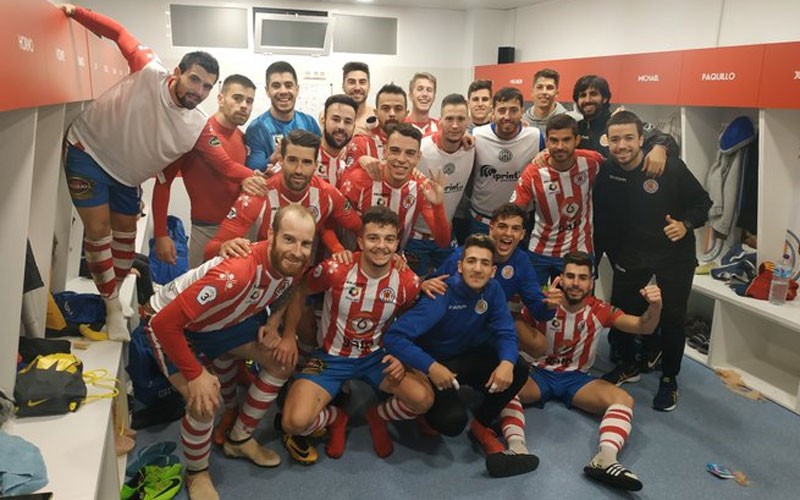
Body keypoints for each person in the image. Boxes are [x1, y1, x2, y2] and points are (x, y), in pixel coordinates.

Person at [58, 3, 219, 341]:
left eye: (207, 86)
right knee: (98, 232)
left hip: (126, 177)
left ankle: (113, 295)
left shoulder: (195, 126)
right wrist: (75, 11)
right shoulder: (149, 70)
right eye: (194, 80)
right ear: (177, 71)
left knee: (126, 242)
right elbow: (117, 32)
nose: (198, 91)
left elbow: (174, 176)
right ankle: (112, 307)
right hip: (88, 150)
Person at [146, 205, 316, 500]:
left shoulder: (293, 263)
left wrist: (275, 323)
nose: (298, 251)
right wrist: (195, 373)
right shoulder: (237, 272)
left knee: (281, 363)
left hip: (221, 322)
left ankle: (240, 438)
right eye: (289, 240)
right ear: (272, 235)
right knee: (204, 400)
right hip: (172, 327)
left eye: (305, 243)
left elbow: (291, 286)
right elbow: (163, 323)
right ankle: (197, 472)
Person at [279, 207, 433, 464]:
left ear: (397, 242)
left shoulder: (407, 281)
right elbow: (301, 290)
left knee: (423, 399)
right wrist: (288, 334)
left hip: (377, 359)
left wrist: (400, 358)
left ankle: (378, 416)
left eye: (389, 239)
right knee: (294, 423)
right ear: (360, 241)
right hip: (330, 359)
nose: (381, 246)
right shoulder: (336, 269)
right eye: (373, 238)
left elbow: (408, 324)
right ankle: (336, 418)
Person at [384, 234, 539, 478]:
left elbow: (506, 331)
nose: (478, 269)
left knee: (518, 368)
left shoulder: (493, 290)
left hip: (467, 359)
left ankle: (481, 424)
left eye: (485, 263)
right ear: (459, 265)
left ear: (492, 269)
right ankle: (412, 412)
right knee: (451, 423)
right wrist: (430, 366)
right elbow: (394, 337)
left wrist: (507, 362)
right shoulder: (442, 294)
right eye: (472, 261)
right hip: (436, 367)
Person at [510, 251, 662, 492]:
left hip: (577, 379)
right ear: (560, 277)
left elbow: (644, 326)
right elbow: (511, 323)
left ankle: (606, 459)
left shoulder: (601, 309)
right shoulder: (544, 302)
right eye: (570, 276)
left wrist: (655, 306)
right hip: (539, 373)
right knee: (506, 388)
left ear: (591, 282)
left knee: (623, 399)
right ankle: (516, 448)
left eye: (582, 277)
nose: (575, 283)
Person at [593, 111, 712, 411]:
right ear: (607, 141)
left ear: (642, 139)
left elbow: (703, 204)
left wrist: (685, 224)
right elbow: (605, 219)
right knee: (621, 311)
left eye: (629, 138)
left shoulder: (667, 167)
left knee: (672, 317)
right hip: (632, 253)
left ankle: (670, 378)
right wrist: (600, 258)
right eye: (616, 139)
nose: (622, 146)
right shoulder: (607, 171)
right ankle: (628, 365)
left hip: (674, 254)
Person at [151, 74, 268, 268]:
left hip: (244, 228)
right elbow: (163, 183)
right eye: (237, 98)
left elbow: (243, 181)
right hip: (207, 231)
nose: (244, 106)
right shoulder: (194, 133)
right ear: (220, 99)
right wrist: (161, 234)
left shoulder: (243, 138)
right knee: (199, 293)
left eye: (249, 101)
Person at [204, 130, 362, 261]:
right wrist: (224, 247)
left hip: (300, 278)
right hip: (262, 279)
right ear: (281, 160)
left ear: (316, 165)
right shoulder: (258, 193)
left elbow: (361, 228)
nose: (299, 170)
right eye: (292, 160)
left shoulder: (327, 194)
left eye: (306, 162)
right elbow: (210, 250)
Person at [511, 114, 604, 286]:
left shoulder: (592, 161)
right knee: (534, 306)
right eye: (553, 140)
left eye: (566, 140)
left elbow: (622, 161)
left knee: (576, 308)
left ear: (577, 140)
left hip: (579, 252)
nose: (560, 146)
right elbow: (514, 212)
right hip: (539, 251)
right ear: (546, 141)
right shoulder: (533, 172)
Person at [425, 203, 557, 323]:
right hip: (455, 321)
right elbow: (431, 286)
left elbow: (539, 311)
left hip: (489, 324)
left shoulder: (521, 261)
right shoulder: (463, 256)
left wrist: (549, 305)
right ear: (491, 228)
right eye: (502, 226)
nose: (508, 233)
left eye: (515, 229)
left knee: (538, 344)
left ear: (522, 234)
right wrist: (425, 285)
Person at [340, 123, 450, 250]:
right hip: (353, 262)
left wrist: (438, 206)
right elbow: (336, 223)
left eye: (409, 153)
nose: (401, 159)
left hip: (393, 263)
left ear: (418, 157)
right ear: (385, 151)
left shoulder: (421, 187)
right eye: (395, 151)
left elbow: (443, 242)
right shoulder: (359, 179)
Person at [405, 94, 474, 276]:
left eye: (460, 119)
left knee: (450, 286)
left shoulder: (473, 147)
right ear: (440, 121)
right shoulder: (421, 147)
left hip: (446, 234)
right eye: (449, 119)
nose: (455, 125)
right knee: (415, 291)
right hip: (415, 237)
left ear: (468, 121)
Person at [470, 87, 544, 234]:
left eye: (514, 110)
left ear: (522, 111)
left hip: (519, 222)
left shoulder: (535, 137)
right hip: (482, 221)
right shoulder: (476, 135)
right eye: (502, 110)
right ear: (493, 111)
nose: (507, 116)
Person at [245, 61, 321, 172]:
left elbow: (320, 159)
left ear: (297, 89)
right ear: (267, 91)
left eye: (288, 85)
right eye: (276, 86)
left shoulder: (309, 122)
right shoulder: (256, 128)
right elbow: (252, 170)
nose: (283, 91)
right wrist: (274, 157)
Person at [345, 83, 408, 171]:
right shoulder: (362, 142)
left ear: (406, 113)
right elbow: (346, 178)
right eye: (386, 108)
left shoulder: (412, 144)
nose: (392, 114)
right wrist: (359, 163)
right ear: (376, 113)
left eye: (398, 109)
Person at [316, 94, 358, 187]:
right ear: (323, 121)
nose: (341, 127)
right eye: (335, 119)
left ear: (354, 127)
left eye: (347, 122)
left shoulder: (346, 167)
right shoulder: (305, 158)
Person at [521, 68, 580, 134]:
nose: (544, 92)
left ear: (556, 93)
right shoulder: (521, 122)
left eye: (549, 88)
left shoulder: (573, 121)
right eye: (539, 87)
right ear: (532, 92)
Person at [341, 62, 376, 136]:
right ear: (343, 86)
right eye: (352, 82)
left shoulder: (377, 118)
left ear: (369, 86)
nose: (357, 88)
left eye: (362, 82)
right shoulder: (330, 117)